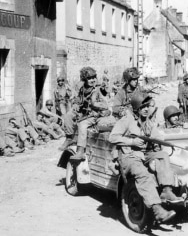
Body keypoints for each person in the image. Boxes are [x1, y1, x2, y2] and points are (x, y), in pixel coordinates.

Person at [109, 92, 177, 223]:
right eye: (143, 107)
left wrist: (163, 142)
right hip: (128, 156)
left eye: (147, 106)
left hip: (143, 154)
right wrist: (131, 142)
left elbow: (157, 136)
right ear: (136, 108)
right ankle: (157, 210)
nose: (146, 109)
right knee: (143, 174)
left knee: (163, 156)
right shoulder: (126, 120)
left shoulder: (148, 122)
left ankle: (166, 190)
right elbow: (112, 137)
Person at [69, 67, 109, 160]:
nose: (92, 80)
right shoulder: (83, 90)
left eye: (94, 77)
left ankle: (80, 151)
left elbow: (105, 103)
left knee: (82, 125)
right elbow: (79, 99)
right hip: (87, 115)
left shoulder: (98, 89)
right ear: (84, 80)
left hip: (98, 115)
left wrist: (96, 106)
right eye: (89, 78)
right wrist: (75, 104)